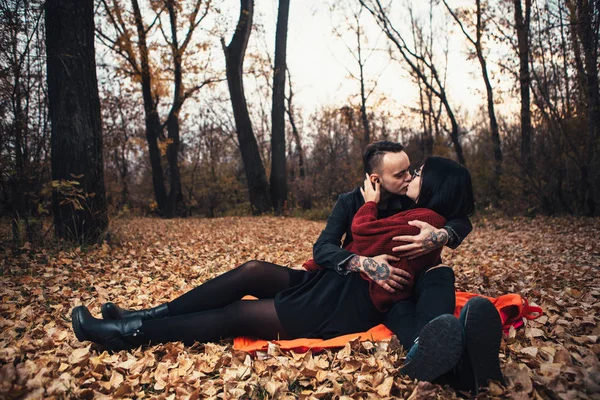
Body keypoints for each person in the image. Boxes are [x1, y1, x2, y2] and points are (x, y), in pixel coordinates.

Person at [72, 152, 501, 392]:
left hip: (340, 297)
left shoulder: (417, 211)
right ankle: (140, 319)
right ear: (376, 177)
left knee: (239, 315)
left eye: (413, 171)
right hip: (327, 278)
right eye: (401, 172)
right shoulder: (354, 201)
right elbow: (325, 247)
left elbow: (456, 212)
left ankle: (128, 332)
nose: (409, 176)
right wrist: (357, 260)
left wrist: (444, 234)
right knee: (250, 273)